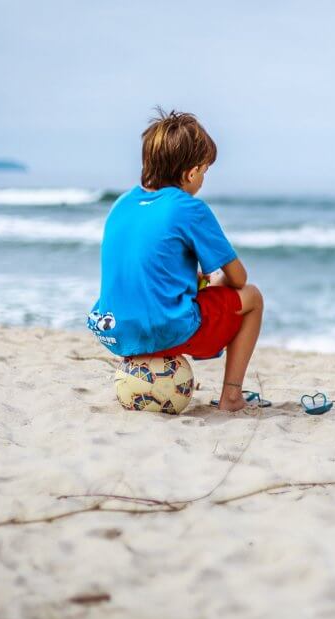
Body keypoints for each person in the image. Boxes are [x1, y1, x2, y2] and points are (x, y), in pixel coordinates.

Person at [88, 108, 265, 412]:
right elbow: (239, 278)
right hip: (164, 329)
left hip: (114, 330)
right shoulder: (189, 208)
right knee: (253, 298)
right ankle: (232, 396)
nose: (203, 180)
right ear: (191, 173)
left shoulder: (122, 203)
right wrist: (217, 281)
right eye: (204, 172)